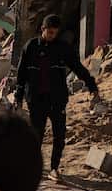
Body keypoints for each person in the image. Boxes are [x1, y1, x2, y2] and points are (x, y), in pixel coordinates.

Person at [14, 14, 101, 181]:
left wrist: (91, 85)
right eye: (50, 32)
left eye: (55, 33)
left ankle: (54, 168)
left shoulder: (62, 48)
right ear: (43, 29)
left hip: (57, 99)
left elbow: (77, 67)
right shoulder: (31, 46)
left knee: (59, 135)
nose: (52, 36)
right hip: (36, 99)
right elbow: (21, 74)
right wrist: (18, 97)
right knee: (36, 135)